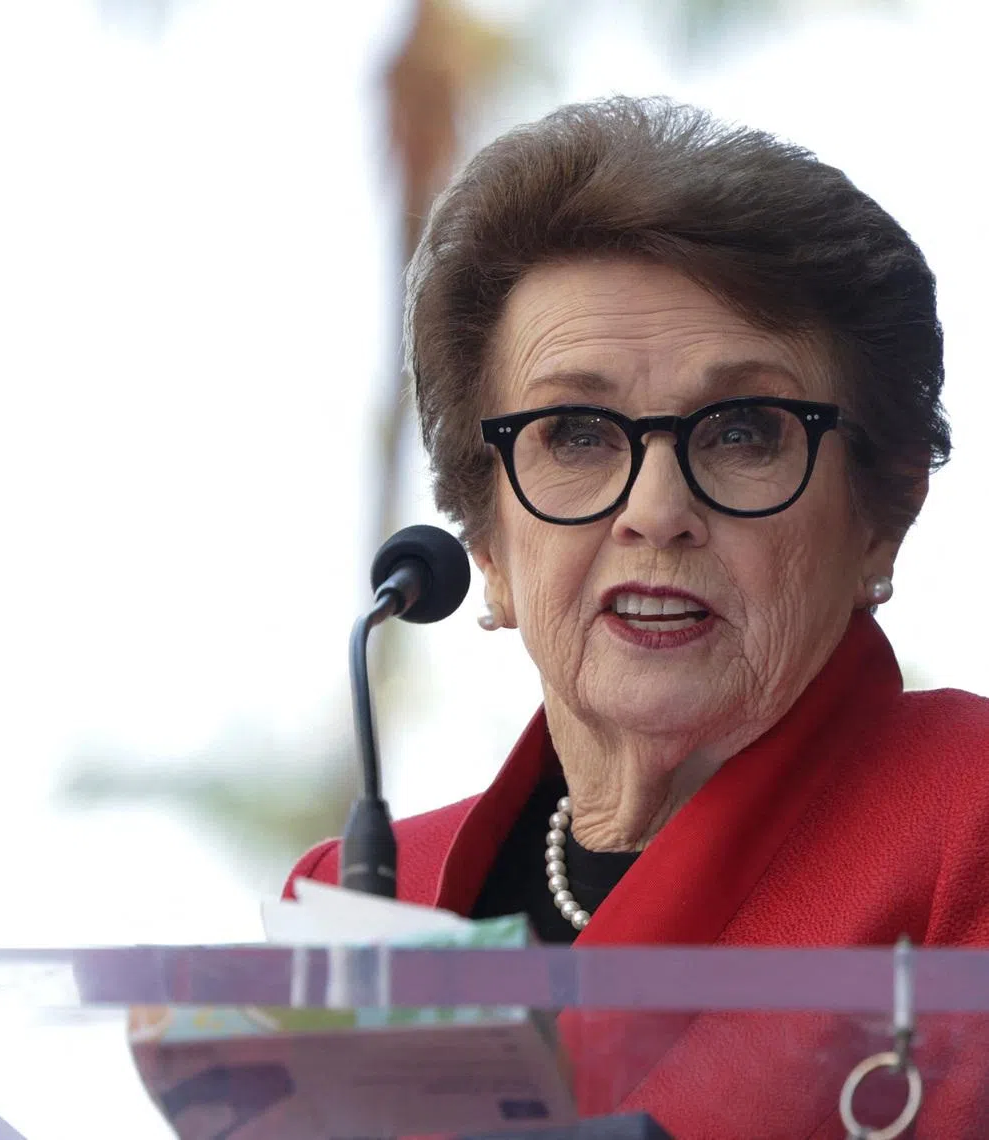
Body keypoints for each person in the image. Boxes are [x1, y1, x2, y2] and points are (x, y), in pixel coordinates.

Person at [285, 97, 989, 1137]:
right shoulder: (363, 899)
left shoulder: (969, 816)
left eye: (743, 431)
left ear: (881, 517)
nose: (657, 511)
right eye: (576, 433)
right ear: (489, 544)